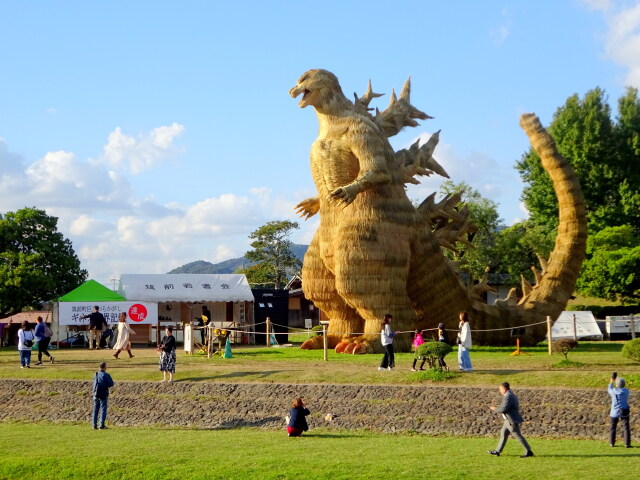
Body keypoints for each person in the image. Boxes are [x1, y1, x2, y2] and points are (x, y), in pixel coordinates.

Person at [488, 382, 534, 458]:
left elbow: (504, 408)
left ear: (504, 389)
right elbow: (504, 406)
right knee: (503, 433)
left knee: (517, 435)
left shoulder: (508, 396)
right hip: (508, 419)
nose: (500, 390)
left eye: (500, 389)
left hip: (511, 420)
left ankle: (529, 451)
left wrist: (495, 409)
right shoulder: (510, 395)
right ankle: (497, 451)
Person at [608, 376, 631, 448]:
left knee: (613, 427)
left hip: (614, 412)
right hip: (624, 411)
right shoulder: (626, 391)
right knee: (626, 428)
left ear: (617, 384)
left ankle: (612, 443)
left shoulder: (613, 392)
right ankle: (627, 443)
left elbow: (609, 389)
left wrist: (611, 381)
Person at [92, 362, 114, 430]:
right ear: (104, 367)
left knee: (95, 410)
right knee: (103, 409)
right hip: (103, 394)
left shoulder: (95, 374)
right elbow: (111, 383)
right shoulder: (105, 375)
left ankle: (94, 425)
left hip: (96, 393)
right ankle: (102, 425)